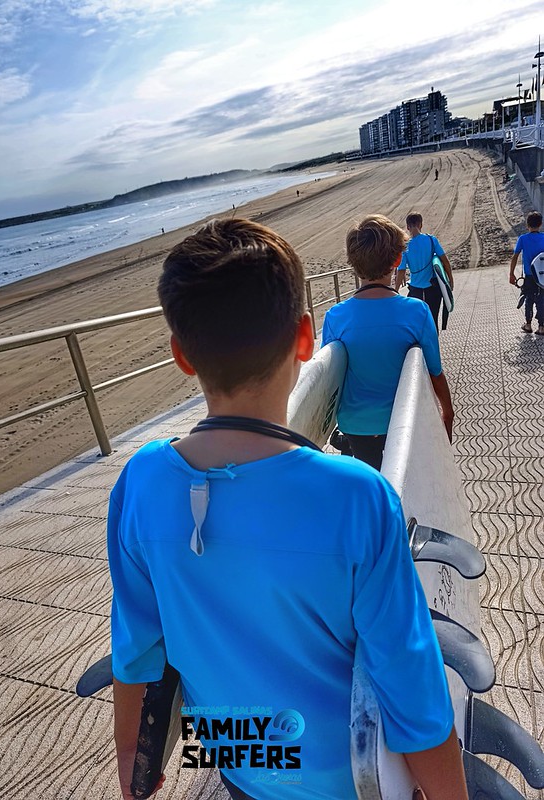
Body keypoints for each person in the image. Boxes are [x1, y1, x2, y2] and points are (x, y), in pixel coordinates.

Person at [109, 218, 468, 800]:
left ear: (182, 354)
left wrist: (132, 759)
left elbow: (136, 647)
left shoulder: (141, 481)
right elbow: (410, 681)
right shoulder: (357, 496)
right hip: (342, 777)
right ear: (305, 338)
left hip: (238, 758)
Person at [322, 215, 454, 471]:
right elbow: (434, 371)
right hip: (405, 420)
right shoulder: (417, 311)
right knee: (405, 477)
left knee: (373, 475)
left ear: (353, 264)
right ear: (397, 260)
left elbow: (332, 376)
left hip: (355, 424)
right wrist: (447, 411)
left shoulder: (335, 316)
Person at [394, 212, 454, 332]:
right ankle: (434, 343)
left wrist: (395, 290)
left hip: (415, 290)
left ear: (408, 227)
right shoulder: (432, 240)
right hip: (433, 288)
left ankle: (420, 343)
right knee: (433, 320)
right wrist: (450, 280)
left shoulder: (405, 246)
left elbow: (401, 271)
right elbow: (445, 262)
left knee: (417, 323)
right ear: (421, 224)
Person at [509, 210, 544, 335]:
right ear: (540, 224)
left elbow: (515, 256)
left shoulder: (523, 239)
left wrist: (511, 274)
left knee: (529, 298)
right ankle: (542, 326)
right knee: (542, 299)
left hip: (529, 275)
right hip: (542, 276)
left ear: (527, 225)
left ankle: (528, 325)